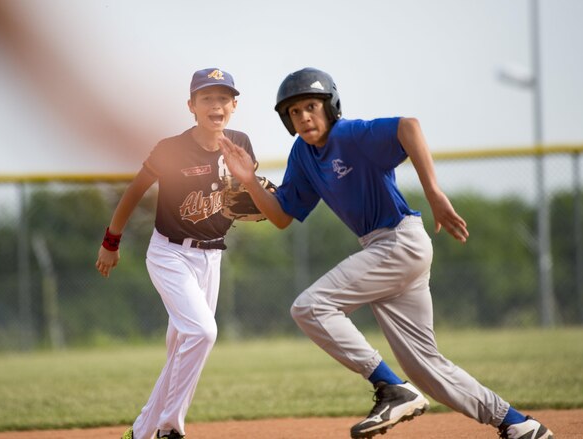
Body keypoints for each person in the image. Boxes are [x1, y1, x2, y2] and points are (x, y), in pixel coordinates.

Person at [220, 67, 554, 439]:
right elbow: (282, 216)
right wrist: (249, 181)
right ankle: (518, 424)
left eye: (311, 106)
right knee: (427, 368)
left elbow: (408, 127)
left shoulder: (350, 134)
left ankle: (391, 387)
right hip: (385, 249)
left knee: (310, 307)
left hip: (399, 242)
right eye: (295, 112)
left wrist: (434, 193)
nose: (304, 117)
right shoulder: (302, 154)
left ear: (330, 106)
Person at [96, 68, 257, 439]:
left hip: (212, 258)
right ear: (191, 106)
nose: (215, 105)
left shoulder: (241, 142)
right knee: (202, 333)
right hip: (170, 255)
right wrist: (111, 242)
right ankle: (170, 429)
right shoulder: (171, 148)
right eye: (206, 98)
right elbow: (135, 191)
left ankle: (140, 432)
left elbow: (246, 198)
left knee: (181, 351)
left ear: (234, 104)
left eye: (222, 98)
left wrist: (258, 200)